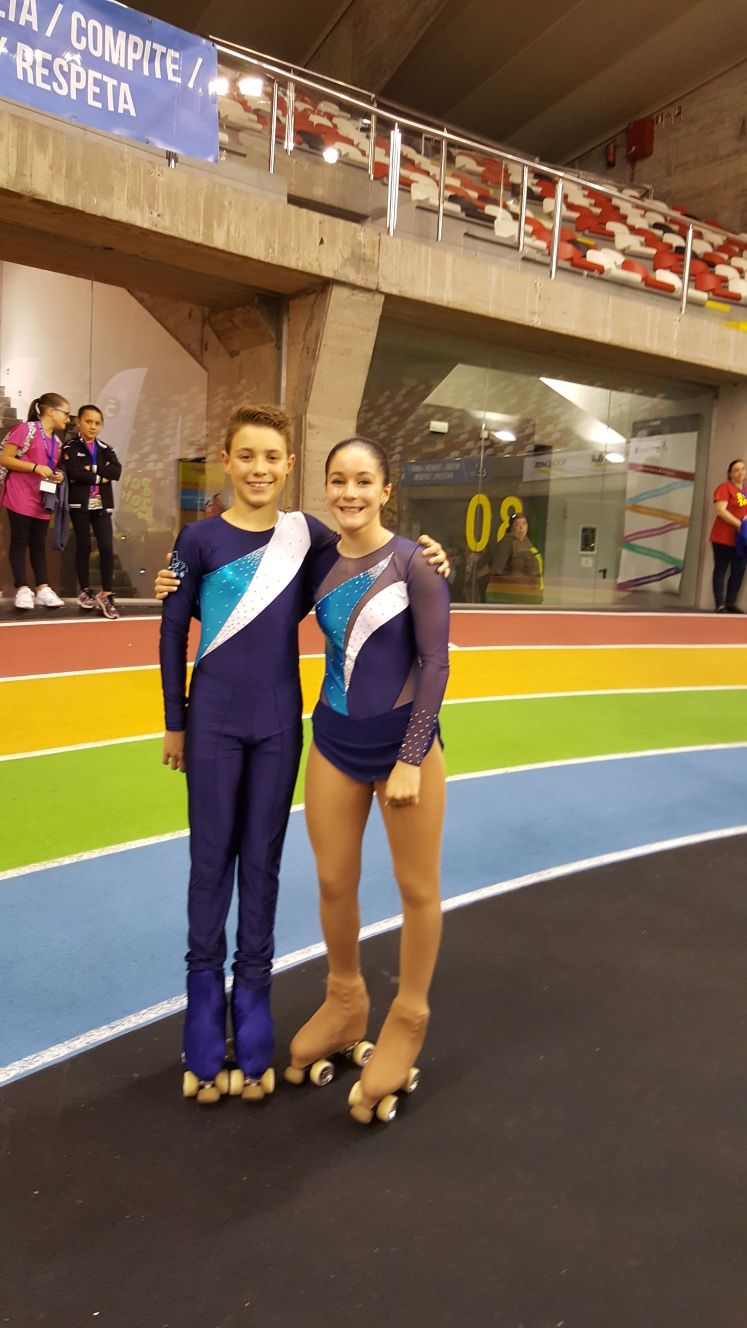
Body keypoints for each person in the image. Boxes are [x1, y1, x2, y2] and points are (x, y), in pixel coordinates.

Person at [157, 405, 448, 1106]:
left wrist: (431, 555)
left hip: (340, 734)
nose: (349, 493)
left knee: (312, 872)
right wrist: (175, 715)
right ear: (226, 461)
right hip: (287, 734)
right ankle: (273, 1003)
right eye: (246, 456)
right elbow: (197, 622)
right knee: (273, 872)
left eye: (362, 481)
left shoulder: (339, 545)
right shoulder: (232, 544)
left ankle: (373, 1013)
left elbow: (422, 639)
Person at [285, 437, 450, 1127]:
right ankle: (346, 996)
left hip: (404, 748)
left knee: (416, 890)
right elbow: (246, 579)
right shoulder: (318, 557)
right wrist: (178, 575)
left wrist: (410, 757)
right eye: (337, 480)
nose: (348, 492)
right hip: (333, 741)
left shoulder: (415, 562)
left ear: (386, 488)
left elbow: (434, 664)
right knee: (331, 880)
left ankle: (408, 1016)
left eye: (363, 480)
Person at [0, 392, 69, 610]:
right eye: (65, 414)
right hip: (19, 493)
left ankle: (42, 588)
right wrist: (34, 467)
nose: (68, 419)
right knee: (19, 541)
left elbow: (51, 466)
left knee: (39, 544)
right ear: (50, 411)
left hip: (41, 498)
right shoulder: (25, 430)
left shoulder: (56, 442)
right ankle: (22, 588)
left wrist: (57, 475)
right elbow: (5, 458)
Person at [62, 405, 123, 620]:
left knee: (107, 547)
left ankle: (106, 594)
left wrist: (92, 469)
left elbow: (116, 471)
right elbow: (75, 472)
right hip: (81, 505)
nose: (93, 426)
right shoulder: (70, 446)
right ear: (78, 421)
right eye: (89, 421)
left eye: (97, 423)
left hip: (102, 504)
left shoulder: (106, 448)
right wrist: (100, 473)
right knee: (84, 545)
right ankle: (85, 590)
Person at [480, 511, 542, 604]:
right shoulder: (506, 544)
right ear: (511, 526)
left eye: (524, 524)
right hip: (512, 598)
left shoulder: (527, 543)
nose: (521, 528)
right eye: (517, 524)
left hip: (529, 597)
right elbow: (496, 572)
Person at [709, 459, 747, 613]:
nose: (740, 473)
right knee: (721, 569)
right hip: (723, 537)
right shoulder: (724, 488)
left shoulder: (745, 492)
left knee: (738, 571)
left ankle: (731, 603)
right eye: (736, 470)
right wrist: (740, 525)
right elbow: (721, 510)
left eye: (743, 469)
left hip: (741, 540)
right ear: (730, 473)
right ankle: (720, 604)